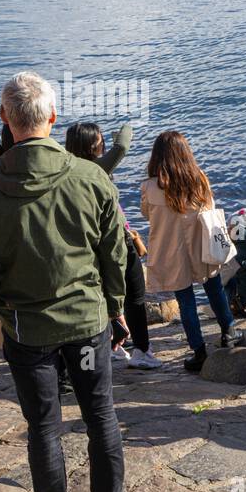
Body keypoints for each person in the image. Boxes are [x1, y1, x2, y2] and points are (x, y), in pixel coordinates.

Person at [0, 71, 127, 492]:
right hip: (88, 324)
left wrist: (0, 309)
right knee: (100, 415)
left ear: (4, 119)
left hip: (26, 330)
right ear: (52, 117)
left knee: (44, 426)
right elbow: (116, 257)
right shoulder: (91, 177)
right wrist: (115, 309)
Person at [140, 131, 243, 373]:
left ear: (157, 156)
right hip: (201, 246)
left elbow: (147, 215)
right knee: (213, 287)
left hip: (171, 251)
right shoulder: (199, 180)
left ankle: (198, 352)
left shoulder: (150, 187)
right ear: (185, 154)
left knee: (185, 300)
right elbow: (211, 210)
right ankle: (229, 332)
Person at [63, 121, 161, 370]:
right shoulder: (94, 168)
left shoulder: (67, 171)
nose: (103, 143)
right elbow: (122, 146)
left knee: (105, 296)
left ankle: (112, 347)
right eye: (99, 140)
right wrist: (129, 123)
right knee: (136, 296)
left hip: (92, 243)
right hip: (117, 243)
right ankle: (141, 351)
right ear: (91, 146)